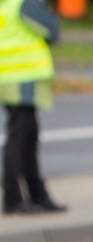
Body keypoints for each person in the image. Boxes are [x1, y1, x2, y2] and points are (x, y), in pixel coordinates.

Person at [0, 0, 61, 215]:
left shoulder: (6, 5)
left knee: (28, 135)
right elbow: (51, 31)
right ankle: (13, 198)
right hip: (22, 77)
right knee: (20, 137)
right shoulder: (25, 3)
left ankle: (37, 194)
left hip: (8, 76)